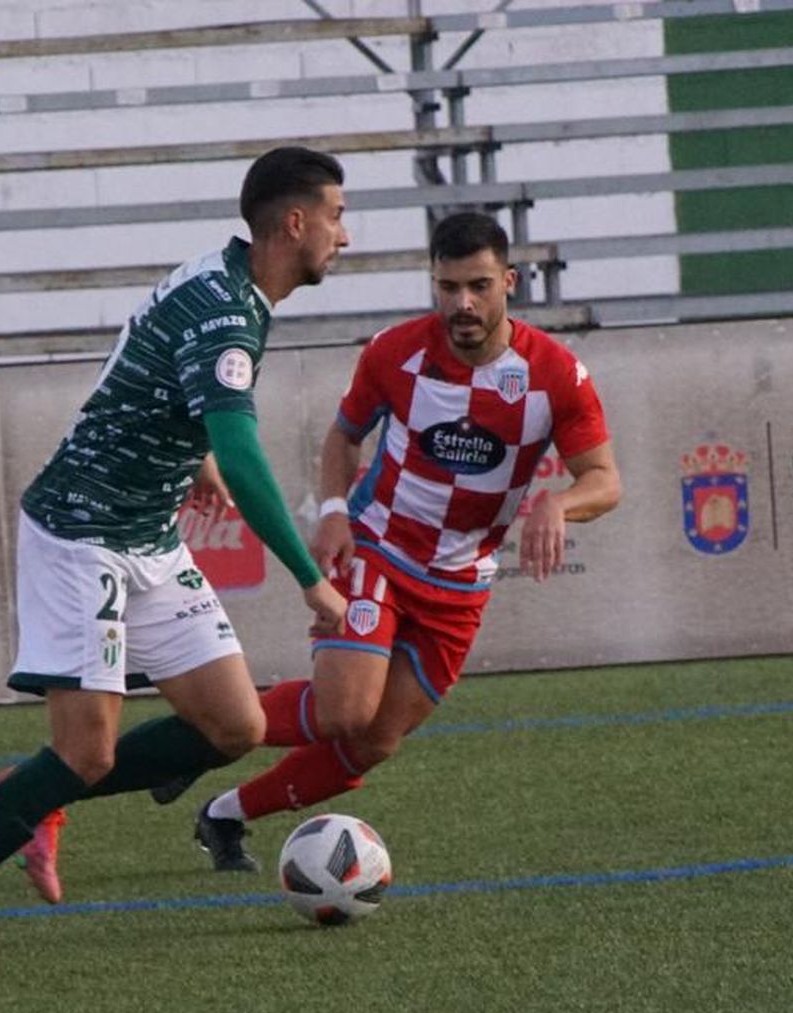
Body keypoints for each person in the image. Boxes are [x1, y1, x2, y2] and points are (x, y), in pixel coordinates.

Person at [0, 146, 351, 960]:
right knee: (86, 750)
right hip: (81, 533)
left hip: (148, 535)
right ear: (295, 223)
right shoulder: (228, 313)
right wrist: (310, 580)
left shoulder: (221, 280)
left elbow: (136, 366)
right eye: (337, 216)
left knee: (235, 724)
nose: (346, 234)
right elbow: (245, 457)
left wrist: (186, 456)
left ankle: (42, 794)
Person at [178, 210, 622, 871]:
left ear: (510, 281)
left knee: (376, 740)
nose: (462, 304)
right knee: (345, 711)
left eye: (477, 286)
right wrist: (333, 510)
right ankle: (186, 740)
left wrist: (559, 503)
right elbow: (343, 435)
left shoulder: (556, 374)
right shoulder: (397, 352)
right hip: (377, 546)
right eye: (447, 287)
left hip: (460, 579)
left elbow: (605, 480)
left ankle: (224, 815)